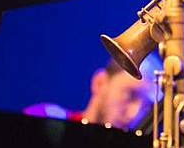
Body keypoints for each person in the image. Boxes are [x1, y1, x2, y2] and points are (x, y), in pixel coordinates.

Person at [23, 53, 160, 129]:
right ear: (99, 83)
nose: (133, 115)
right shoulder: (47, 119)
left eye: (146, 107)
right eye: (130, 95)